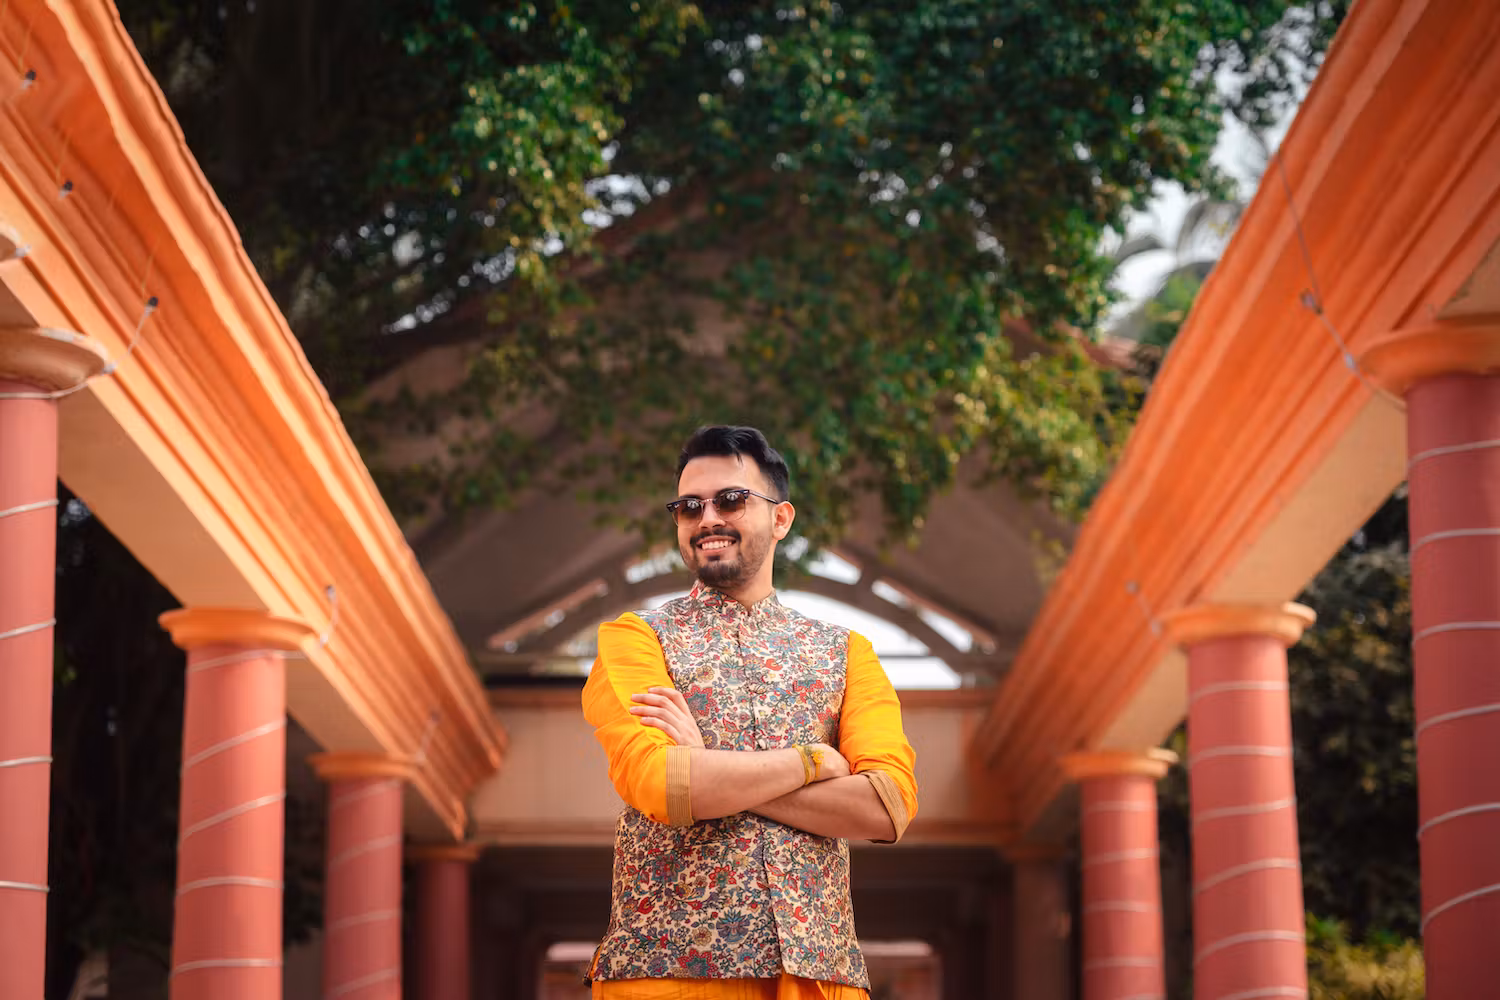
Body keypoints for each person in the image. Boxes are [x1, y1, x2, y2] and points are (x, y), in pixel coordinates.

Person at [581, 425, 919, 1000]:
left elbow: (887, 806)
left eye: (731, 500)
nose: (707, 518)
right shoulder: (635, 639)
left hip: (820, 978)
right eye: (690, 507)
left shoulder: (845, 653)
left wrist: (710, 765)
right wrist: (814, 761)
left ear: (780, 518)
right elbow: (666, 785)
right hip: (669, 975)